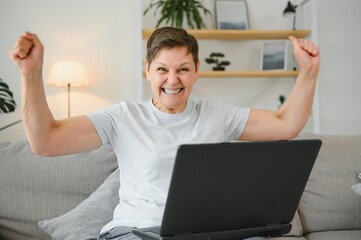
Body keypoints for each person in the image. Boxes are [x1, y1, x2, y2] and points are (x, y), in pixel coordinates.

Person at [9, 26, 320, 240]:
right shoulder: (123, 116)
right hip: (136, 231)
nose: (173, 79)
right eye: (162, 69)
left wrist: (308, 72)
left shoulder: (218, 115)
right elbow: (45, 140)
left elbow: (285, 123)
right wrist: (31, 73)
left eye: (183, 68)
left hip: (204, 232)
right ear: (147, 70)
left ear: (197, 69)